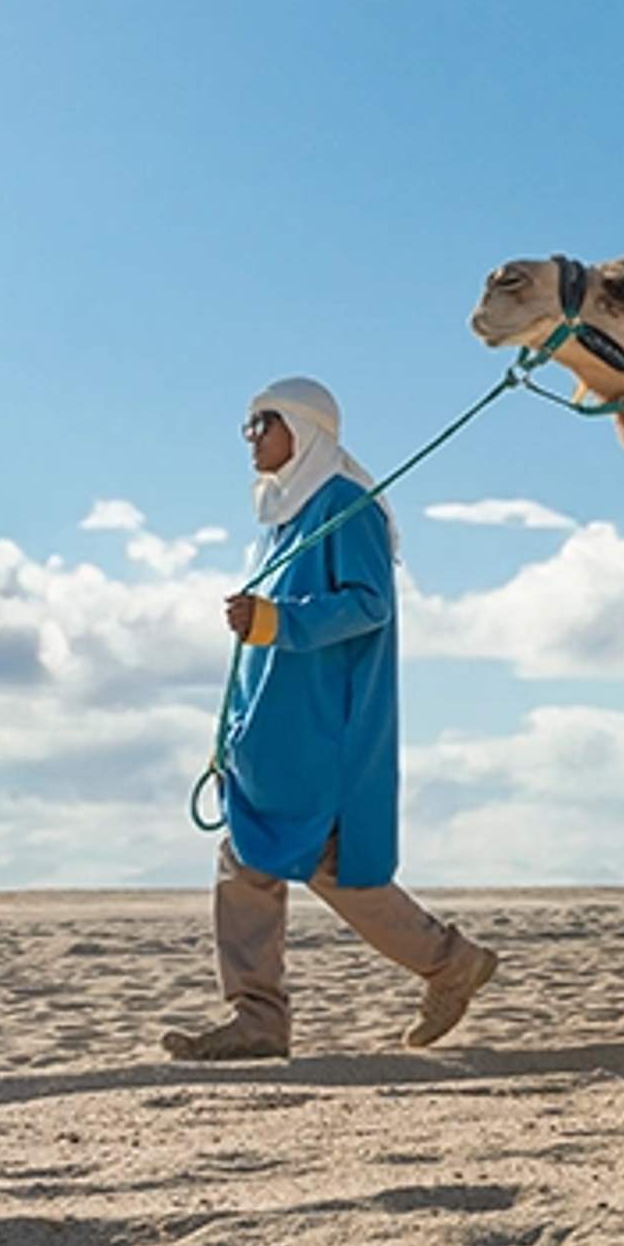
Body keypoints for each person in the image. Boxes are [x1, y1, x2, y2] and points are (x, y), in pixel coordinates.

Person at [169, 379, 497, 1063]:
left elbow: (368, 604)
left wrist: (276, 621)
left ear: (304, 427)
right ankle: (266, 1018)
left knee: (306, 865)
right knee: (257, 859)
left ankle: (443, 965)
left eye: (263, 421)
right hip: (271, 737)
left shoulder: (346, 507)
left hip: (323, 731)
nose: (252, 436)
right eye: (249, 424)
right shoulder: (282, 519)